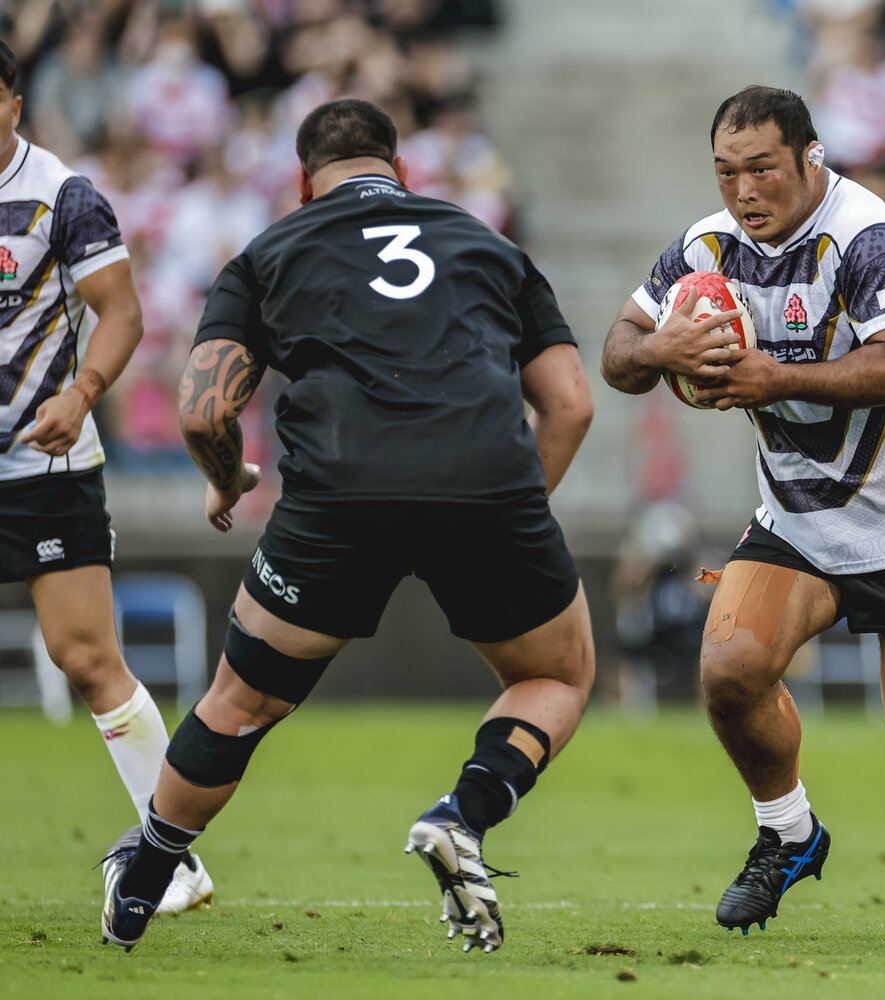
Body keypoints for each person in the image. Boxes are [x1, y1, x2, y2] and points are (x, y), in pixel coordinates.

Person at [99, 98, 595, 955]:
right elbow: (571, 405)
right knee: (558, 675)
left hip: (339, 500)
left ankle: (145, 875)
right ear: (401, 172)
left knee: (241, 702)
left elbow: (200, 411)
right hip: (487, 488)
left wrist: (228, 482)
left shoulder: (268, 253)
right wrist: (508, 513)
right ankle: (462, 816)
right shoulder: (486, 242)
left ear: (303, 183)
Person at [601, 85, 885, 939]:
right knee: (728, 670)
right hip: (798, 518)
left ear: (811, 157)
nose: (743, 191)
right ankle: (787, 832)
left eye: (762, 169)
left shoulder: (865, 235)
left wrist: (775, 378)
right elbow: (618, 351)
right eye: (727, 173)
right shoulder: (705, 247)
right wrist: (661, 348)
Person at [0, 39, 212, 914]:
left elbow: (119, 310)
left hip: (45, 464)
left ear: (12, 100)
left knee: (86, 658)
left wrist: (84, 392)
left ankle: (174, 860)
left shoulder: (62, 194)